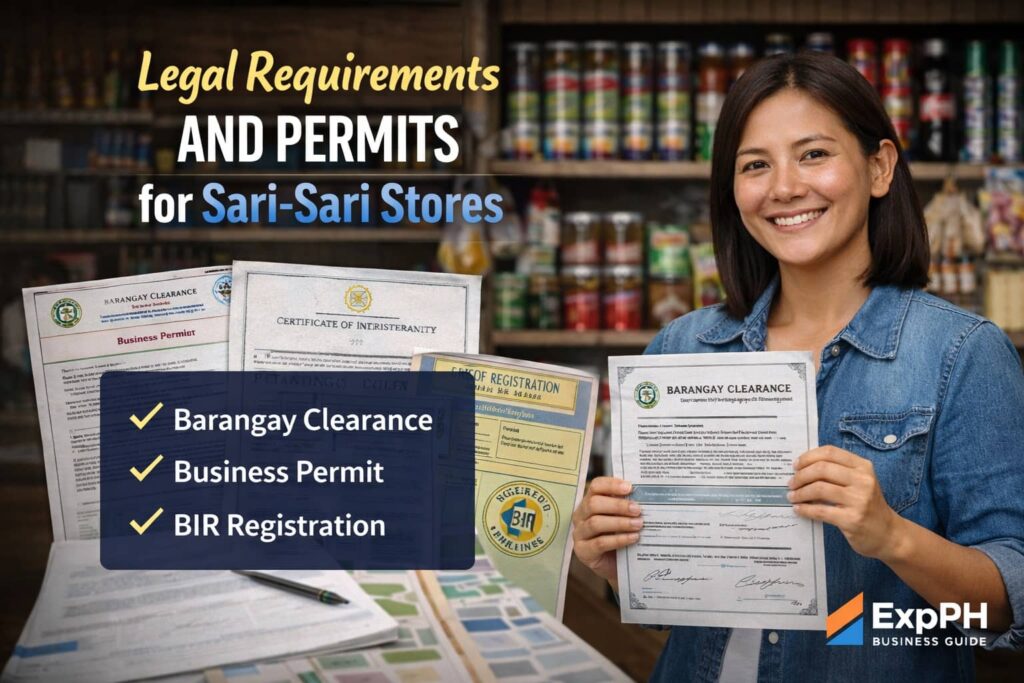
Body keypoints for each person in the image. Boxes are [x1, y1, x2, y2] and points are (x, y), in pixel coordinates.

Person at [572, 52, 1024, 681]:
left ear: (879, 167)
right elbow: (670, 611)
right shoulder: (681, 349)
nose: (783, 186)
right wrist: (620, 564)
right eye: (756, 165)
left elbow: (1001, 612)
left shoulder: (961, 353)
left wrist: (892, 537)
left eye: (813, 154)